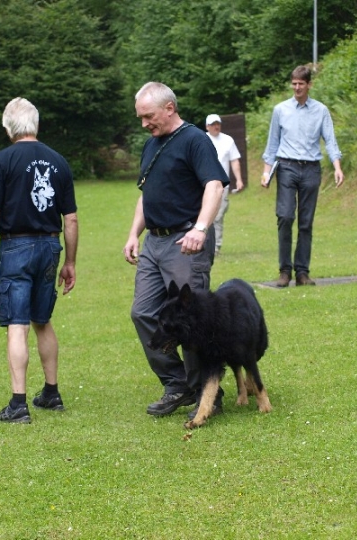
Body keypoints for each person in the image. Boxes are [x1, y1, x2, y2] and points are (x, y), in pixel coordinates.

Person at [123, 82, 229, 419]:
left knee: (193, 321)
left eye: (148, 116)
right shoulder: (151, 145)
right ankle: (177, 383)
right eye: (140, 118)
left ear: (169, 108)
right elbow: (147, 192)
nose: (144, 124)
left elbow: (214, 185)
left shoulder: (196, 140)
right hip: (154, 242)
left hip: (185, 241)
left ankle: (207, 392)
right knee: (143, 312)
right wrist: (133, 233)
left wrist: (200, 227)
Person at [0, 97, 78, 425]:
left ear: (8, 128)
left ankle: (18, 404)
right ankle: (52, 392)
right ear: (36, 125)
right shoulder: (58, 161)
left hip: (17, 248)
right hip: (50, 247)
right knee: (42, 320)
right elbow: (71, 220)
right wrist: (70, 262)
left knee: (17, 324)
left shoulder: (1, 161)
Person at [261, 65, 344, 287]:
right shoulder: (280, 110)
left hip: (311, 169)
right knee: (285, 216)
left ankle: (302, 272)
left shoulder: (321, 111)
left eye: (301, 84)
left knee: (306, 222)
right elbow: (272, 143)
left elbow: (331, 140)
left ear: (309, 85)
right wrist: (266, 172)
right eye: (294, 84)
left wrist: (337, 166)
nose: (297, 88)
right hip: (286, 167)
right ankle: (284, 271)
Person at [205, 114, 245, 255]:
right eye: (213, 124)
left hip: (222, 186)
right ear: (207, 126)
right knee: (203, 215)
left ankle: (216, 246)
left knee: (218, 215)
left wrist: (239, 179)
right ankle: (203, 243)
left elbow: (234, 160)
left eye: (218, 124)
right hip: (203, 185)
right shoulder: (202, 140)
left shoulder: (228, 140)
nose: (216, 126)